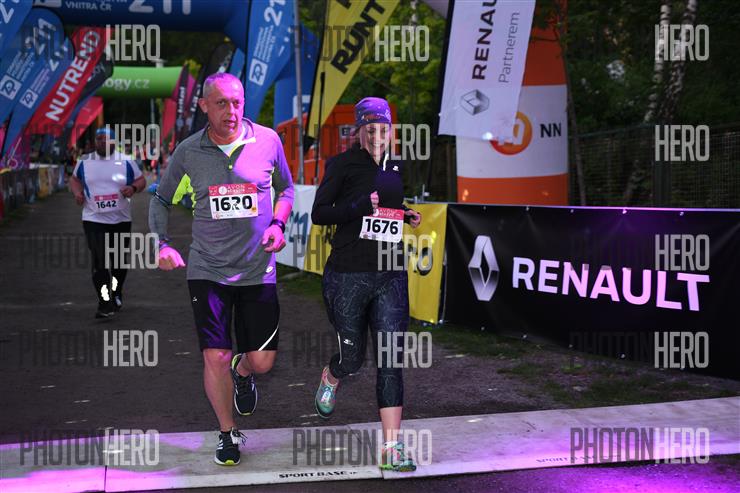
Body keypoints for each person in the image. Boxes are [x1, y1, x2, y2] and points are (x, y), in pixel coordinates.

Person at [149, 72, 294, 466]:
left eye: (237, 102)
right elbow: (160, 199)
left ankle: (242, 372)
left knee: (262, 361)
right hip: (207, 269)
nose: (231, 111)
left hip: (257, 268)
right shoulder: (188, 151)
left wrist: (278, 224)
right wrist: (162, 243)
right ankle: (227, 433)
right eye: (221, 103)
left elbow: (286, 189)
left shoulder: (268, 140)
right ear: (204, 106)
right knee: (214, 355)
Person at [311, 97, 422, 472]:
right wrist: (358, 205)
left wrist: (405, 214)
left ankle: (391, 448)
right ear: (358, 131)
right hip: (348, 276)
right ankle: (333, 374)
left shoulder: (396, 165)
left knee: (390, 360)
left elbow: (387, 210)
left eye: (383, 129)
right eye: (370, 129)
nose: (377, 136)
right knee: (353, 359)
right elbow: (319, 213)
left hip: (390, 274)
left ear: (391, 130)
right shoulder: (341, 165)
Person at [70, 127, 146, 318]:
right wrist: (77, 193)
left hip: (121, 219)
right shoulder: (85, 161)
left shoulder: (126, 160)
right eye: (99, 138)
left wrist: (133, 188)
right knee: (99, 260)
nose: (102, 142)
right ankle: (104, 302)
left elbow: (141, 180)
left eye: (106, 139)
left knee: (118, 262)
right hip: (93, 218)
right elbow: (75, 180)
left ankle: (116, 292)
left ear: (114, 141)